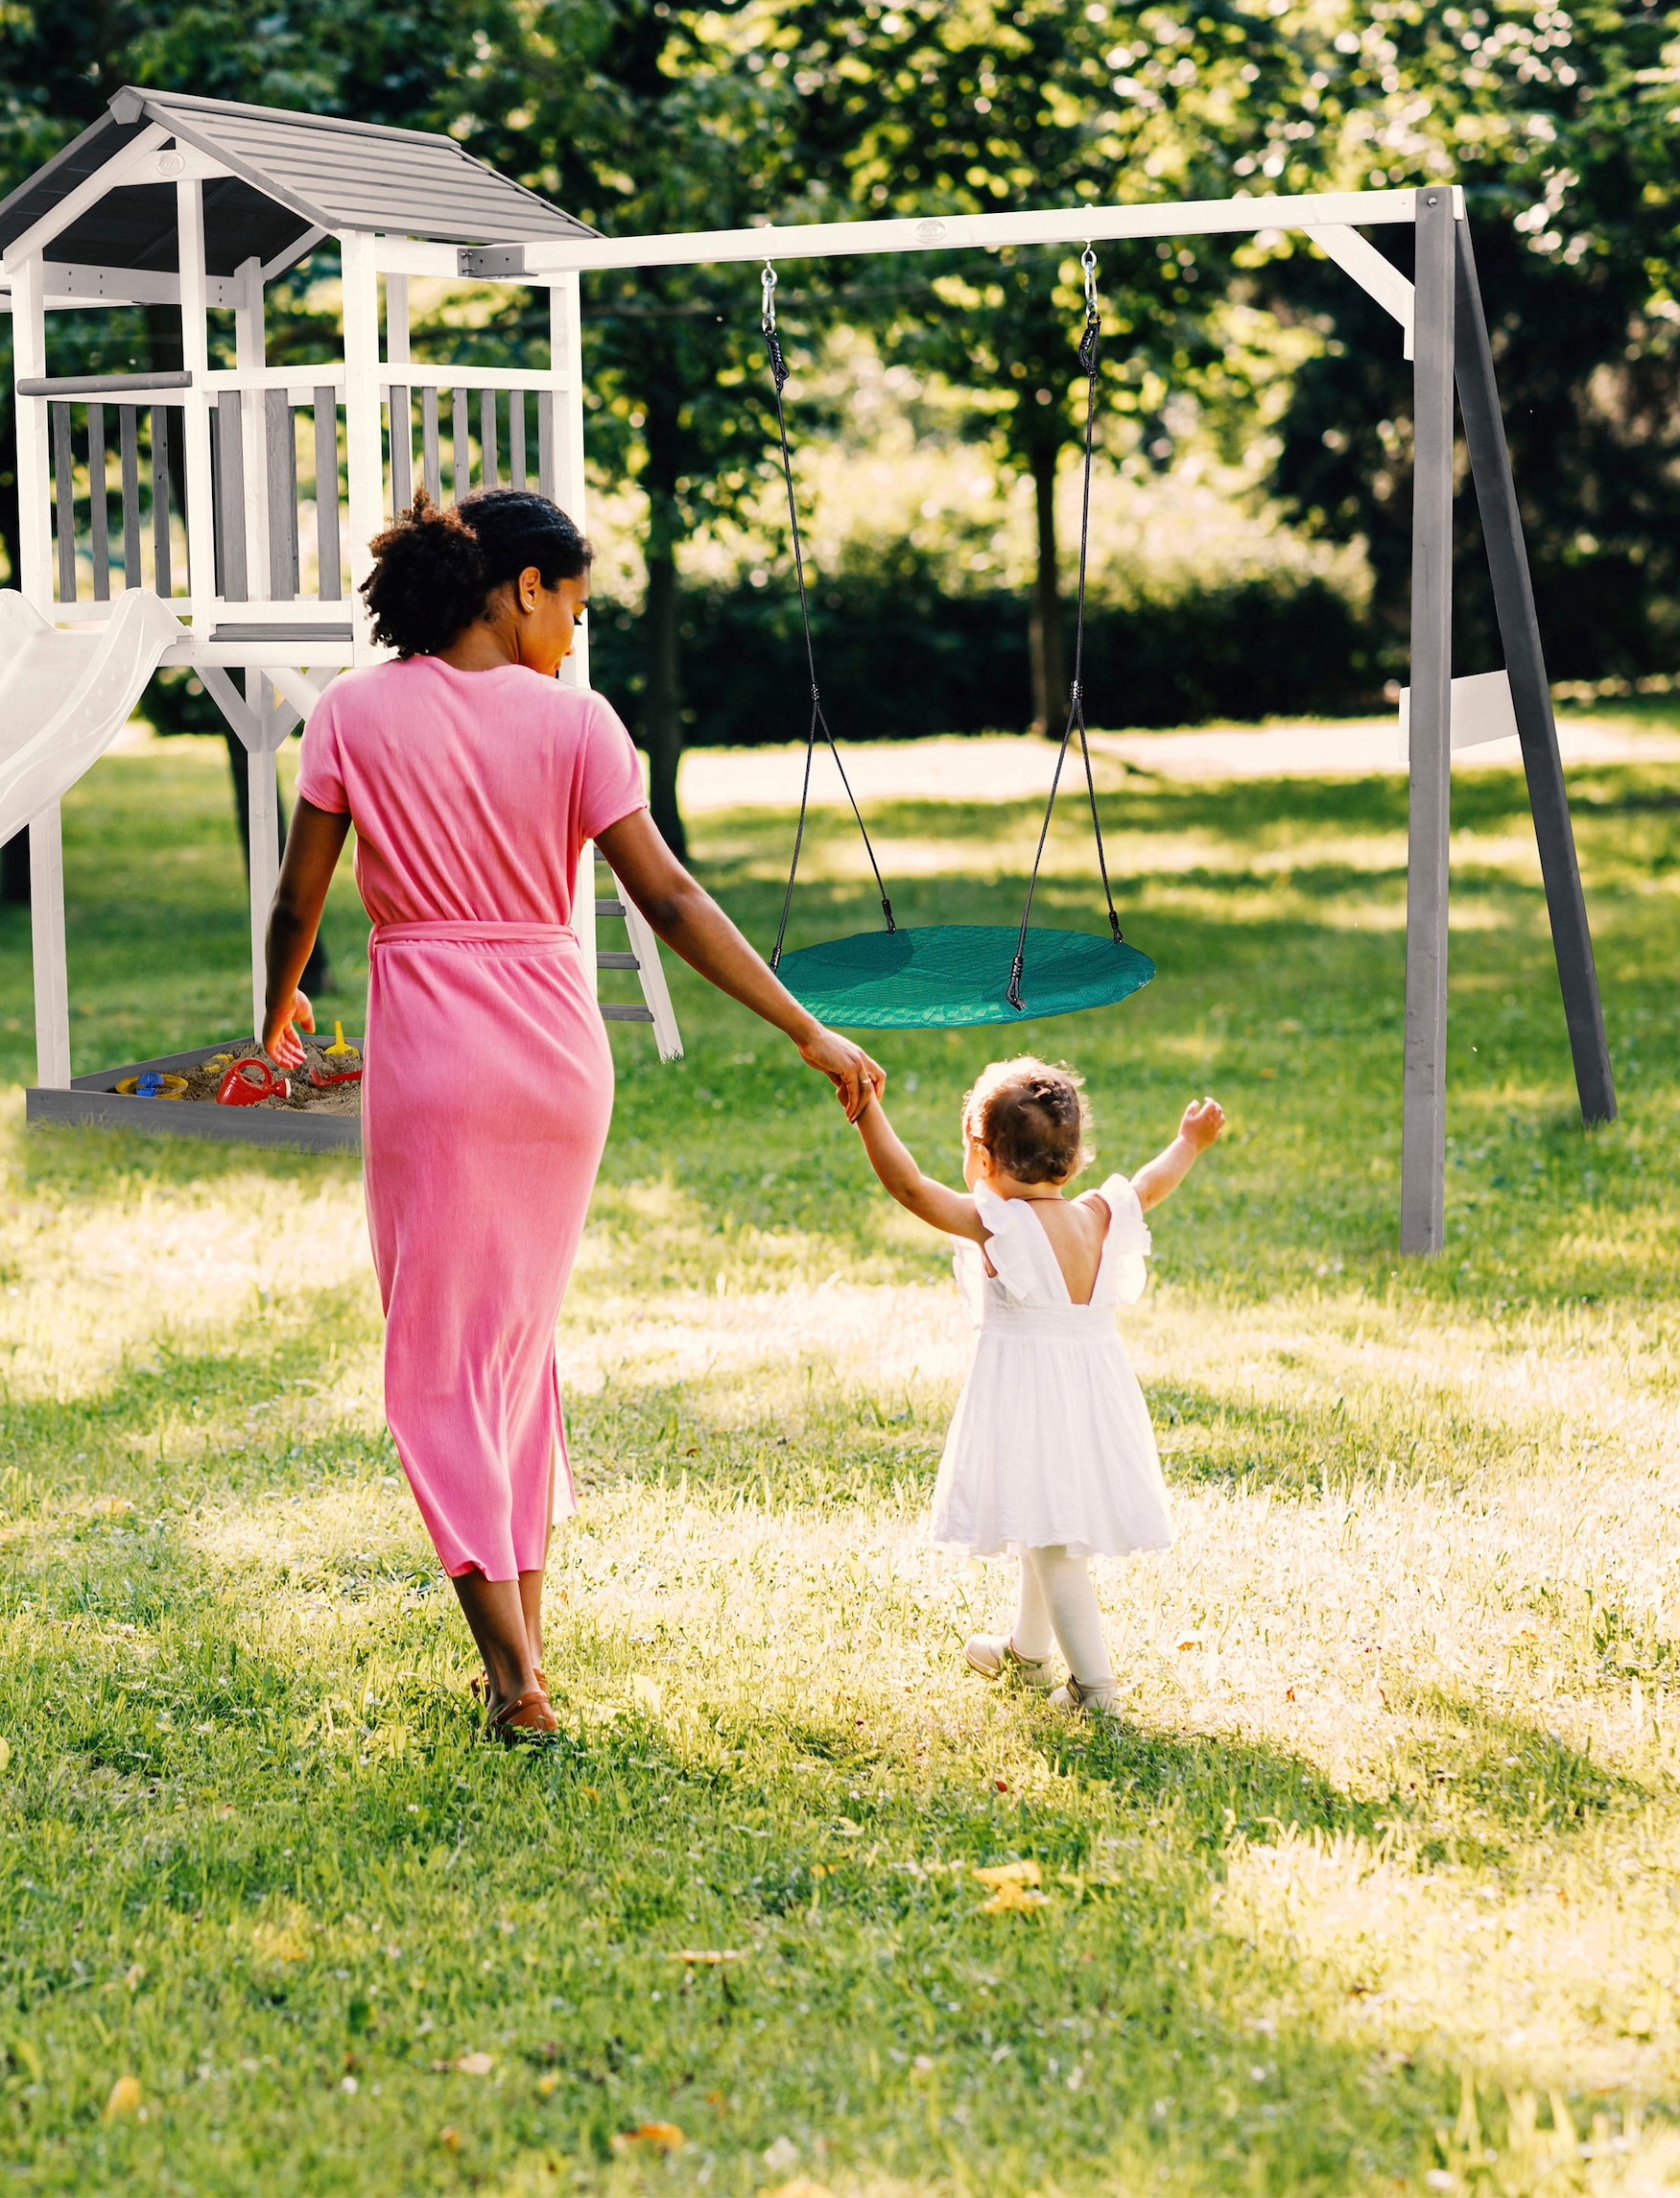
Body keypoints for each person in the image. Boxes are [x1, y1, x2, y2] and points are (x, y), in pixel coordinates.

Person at [261, 488, 884, 1740]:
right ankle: (525, 1654)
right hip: (556, 1057)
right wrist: (804, 1024)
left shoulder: (351, 713)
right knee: (511, 1355)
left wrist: (273, 1013)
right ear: (522, 588)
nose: (576, 635)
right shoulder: (579, 726)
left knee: (438, 1365)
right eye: (576, 607)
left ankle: (513, 1679)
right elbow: (669, 900)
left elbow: (299, 898)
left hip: (434, 1057)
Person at [848, 1056, 1225, 1714]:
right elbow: (1151, 1181)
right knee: (1039, 1518)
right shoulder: (1100, 1214)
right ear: (1074, 1160)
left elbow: (909, 1187)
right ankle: (1027, 1653)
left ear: (983, 1155)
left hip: (1033, 1400)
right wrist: (1188, 1142)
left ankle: (1095, 1689)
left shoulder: (999, 1225)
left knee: (1052, 1544)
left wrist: (867, 1110)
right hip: (1092, 1397)